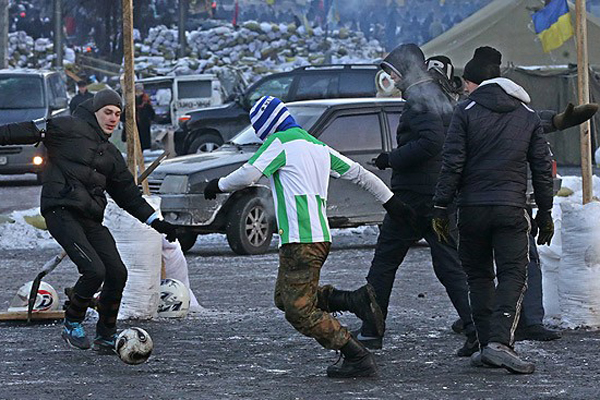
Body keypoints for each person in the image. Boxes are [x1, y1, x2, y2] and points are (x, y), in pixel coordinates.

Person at [203, 96, 415, 378]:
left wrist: (216, 185)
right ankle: (354, 301)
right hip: (319, 238)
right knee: (284, 297)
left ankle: (355, 353)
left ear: (266, 127)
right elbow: (363, 175)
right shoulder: (318, 146)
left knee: (298, 311)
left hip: (301, 240)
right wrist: (391, 202)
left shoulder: (280, 143)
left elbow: (248, 175)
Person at [0, 89, 179, 353]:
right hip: (60, 211)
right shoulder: (66, 126)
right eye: (108, 112)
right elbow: (25, 130)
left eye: (118, 114)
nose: (113, 118)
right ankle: (72, 322)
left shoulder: (111, 155)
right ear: (95, 111)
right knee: (94, 270)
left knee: (117, 272)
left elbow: (128, 196)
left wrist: (157, 222)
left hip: (91, 218)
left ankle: (105, 336)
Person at [432, 46, 554, 374]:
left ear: (474, 81)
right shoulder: (527, 116)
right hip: (511, 208)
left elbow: (452, 162)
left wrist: (440, 207)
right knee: (514, 273)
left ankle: (487, 343)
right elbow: (542, 167)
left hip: (471, 209)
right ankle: (500, 343)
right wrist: (545, 211)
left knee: (478, 275)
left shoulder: (465, 112)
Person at [357, 43, 477, 358]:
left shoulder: (421, 101)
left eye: (393, 73)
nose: (392, 80)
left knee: (384, 263)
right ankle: (476, 328)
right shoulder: (433, 96)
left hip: (413, 198)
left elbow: (430, 143)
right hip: (436, 195)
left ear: (406, 71)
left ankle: (371, 331)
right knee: (449, 265)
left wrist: (390, 158)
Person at [135, 83, 155, 151]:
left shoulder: (132, 101)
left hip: (137, 127)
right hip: (142, 127)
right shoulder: (146, 100)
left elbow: (152, 114)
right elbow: (152, 114)